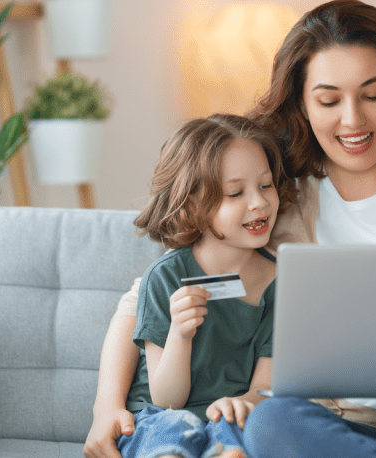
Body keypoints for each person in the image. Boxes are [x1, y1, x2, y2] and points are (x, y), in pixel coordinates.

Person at [84, 2, 376, 457]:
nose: (353, 119)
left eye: (372, 95)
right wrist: (107, 407)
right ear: (302, 101)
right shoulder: (274, 199)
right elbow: (146, 297)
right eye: (329, 100)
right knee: (272, 422)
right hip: (346, 430)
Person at [106, 114, 296, 458]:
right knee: (169, 433)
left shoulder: (281, 283)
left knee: (242, 433)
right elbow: (167, 399)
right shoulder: (165, 277)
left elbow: (263, 389)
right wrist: (180, 334)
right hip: (160, 417)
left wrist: (239, 404)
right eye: (235, 193)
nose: (259, 202)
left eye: (265, 185)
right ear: (194, 203)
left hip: (230, 415)